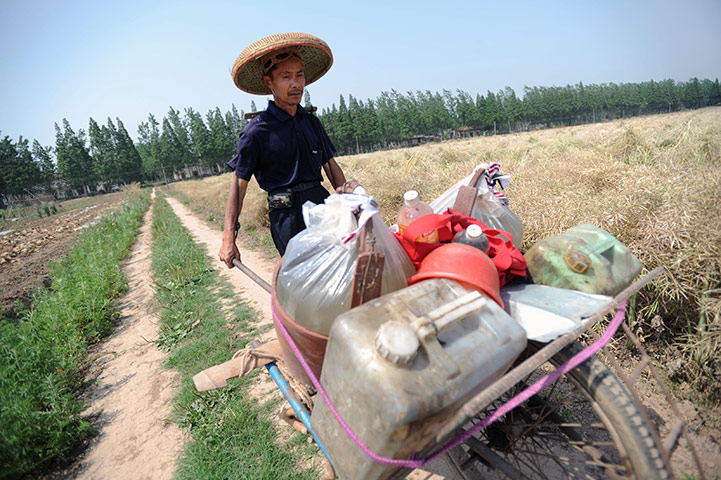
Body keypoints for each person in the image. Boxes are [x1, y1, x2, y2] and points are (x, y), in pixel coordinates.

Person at [219, 32, 346, 266]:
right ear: (269, 82)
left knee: (339, 267)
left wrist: (346, 199)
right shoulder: (256, 132)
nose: (296, 83)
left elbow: (331, 165)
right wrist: (229, 237)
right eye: (286, 76)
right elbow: (238, 186)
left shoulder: (311, 122)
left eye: (299, 75)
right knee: (302, 278)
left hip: (321, 206)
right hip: (286, 215)